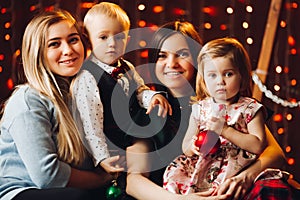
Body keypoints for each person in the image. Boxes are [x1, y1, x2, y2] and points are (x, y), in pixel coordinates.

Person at [126, 21, 288, 200]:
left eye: (182, 54)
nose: (171, 63)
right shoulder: (151, 110)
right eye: (162, 56)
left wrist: (246, 177)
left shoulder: (222, 100)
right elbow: (133, 181)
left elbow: (275, 153)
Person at [0, 9, 113, 200]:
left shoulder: (86, 92)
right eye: (54, 44)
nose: (68, 50)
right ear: (38, 53)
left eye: (73, 40)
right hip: (21, 191)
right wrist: (103, 179)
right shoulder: (28, 100)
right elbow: (47, 176)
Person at [71, 1, 172, 197]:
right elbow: (90, 124)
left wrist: (153, 96)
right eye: (103, 37)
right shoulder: (87, 77)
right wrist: (101, 158)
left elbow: (140, 90)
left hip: (132, 135)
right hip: (110, 145)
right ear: (88, 39)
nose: (112, 43)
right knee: (121, 188)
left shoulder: (126, 67)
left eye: (119, 37)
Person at [163, 37, 268, 194]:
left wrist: (226, 130)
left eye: (228, 74)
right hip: (203, 171)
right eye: (212, 75)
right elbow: (186, 146)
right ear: (204, 80)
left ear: (242, 76)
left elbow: (258, 145)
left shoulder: (249, 108)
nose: (220, 81)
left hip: (235, 171)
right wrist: (193, 146)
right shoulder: (200, 108)